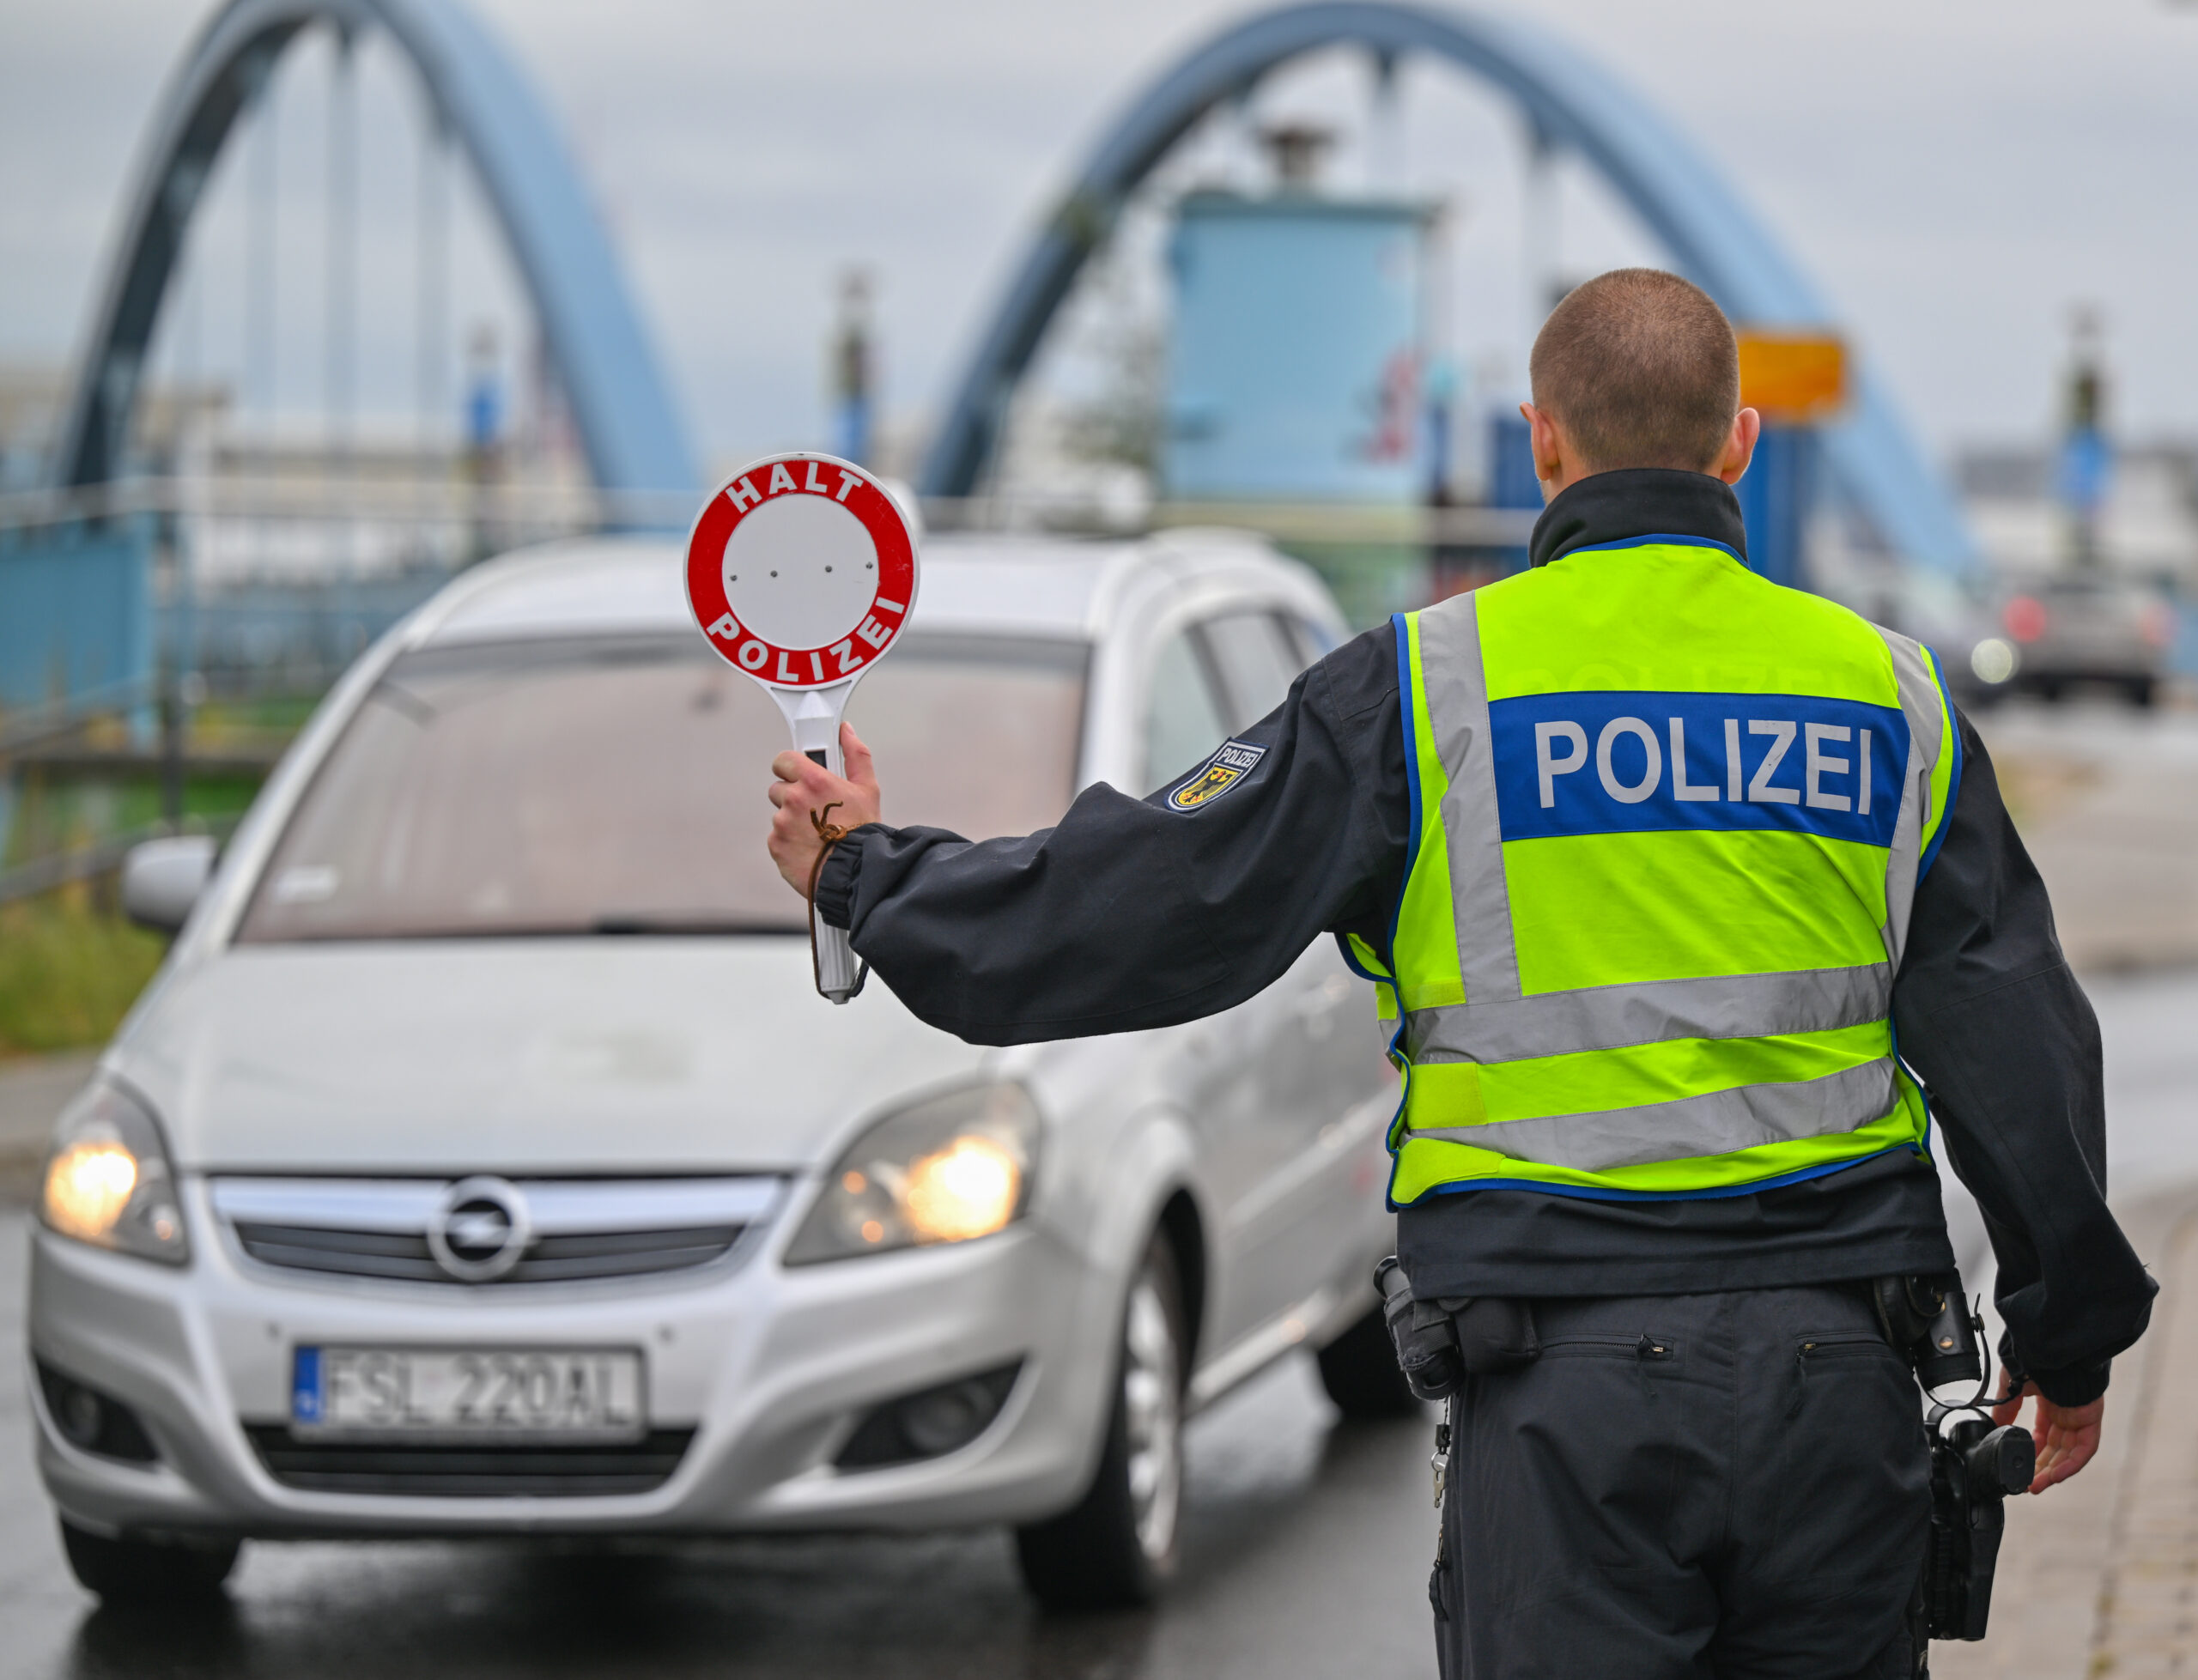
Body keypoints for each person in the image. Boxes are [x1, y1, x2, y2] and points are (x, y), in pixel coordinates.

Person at [764, 268, 2154, 1677]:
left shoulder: (1424, 690)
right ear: (1741, 442)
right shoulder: (1891, 696)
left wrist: (875, 876)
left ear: (1543, 440)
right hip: (1839, 1386)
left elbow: (1157, 902)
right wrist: (2067, 1336)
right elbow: (2019, 1038)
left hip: (1564, 1396)